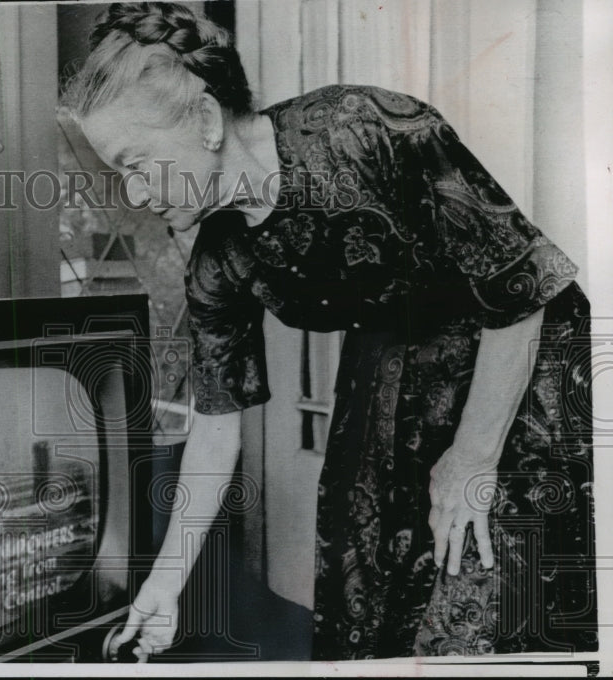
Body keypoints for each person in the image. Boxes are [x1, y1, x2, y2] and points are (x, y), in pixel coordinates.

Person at [62, 2, 596, 661]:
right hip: (393, 357)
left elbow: (519, 287)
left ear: (203, 118)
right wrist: (163, 586)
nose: (136, 196)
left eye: (137, 163)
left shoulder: (362, 128)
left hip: (512, 340)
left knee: (483, 592)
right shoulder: (219, 261)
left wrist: (471, 458)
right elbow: (217, 423)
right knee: (364, 594)